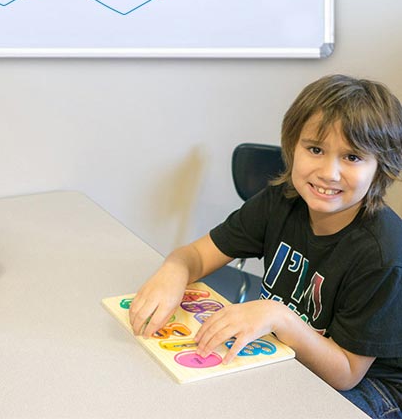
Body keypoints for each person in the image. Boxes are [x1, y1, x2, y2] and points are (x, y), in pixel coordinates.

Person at [129, 75, 402, 419]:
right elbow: (197, 255)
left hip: (371, 387)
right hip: (291, 350)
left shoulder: (383, 253)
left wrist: (278, 316)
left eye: (352, 157)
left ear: (381, 168)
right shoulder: (280, 201)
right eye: (315, 149)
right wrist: (174, 269)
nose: (329, 172)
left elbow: (346, 372)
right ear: (292, 147)